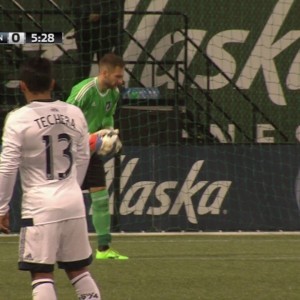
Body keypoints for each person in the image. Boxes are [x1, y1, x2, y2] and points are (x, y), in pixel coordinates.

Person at [0, 57, 101, 300]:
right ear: (53, 83)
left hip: (41, 208)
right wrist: (71, 188)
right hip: (73, 203)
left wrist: (2, 207)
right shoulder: (74, 113)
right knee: (79, 270)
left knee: (41, 273)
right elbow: (83, 157)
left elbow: (7, 165)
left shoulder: (18, 118)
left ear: (22, 85)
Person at [67, 52, 128, 260]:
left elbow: (108, 116)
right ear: (104, 73)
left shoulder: (114, 93)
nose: (121, 80)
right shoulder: (84, 91)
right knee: (67, 200)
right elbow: (65, 120)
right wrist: (91, 138)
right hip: (70, 153)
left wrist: (109, 132)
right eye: (118, 77)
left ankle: (103, 248)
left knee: (100, 197)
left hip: (90, 152)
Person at [71, 0, 124, 84]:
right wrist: (88, 15)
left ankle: (106, 93)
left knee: (107, 67)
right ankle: (79, 94)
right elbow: (76, 9)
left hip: (105, 36)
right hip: (85, 35)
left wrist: (100, 15)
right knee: (83, 68)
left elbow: (116, 11)